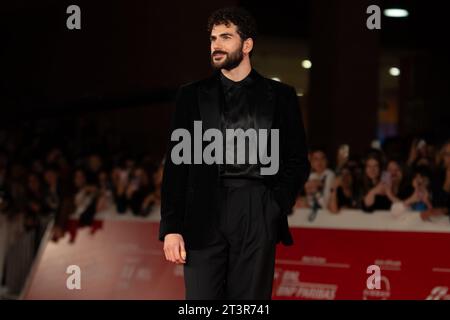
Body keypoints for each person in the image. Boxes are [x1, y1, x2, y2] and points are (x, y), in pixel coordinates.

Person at [159, 7, 310, 300]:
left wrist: (274, 204)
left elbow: (296, 160)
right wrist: (171, 228)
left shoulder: (281, 97)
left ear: (247, 44)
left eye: (226, 37)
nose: (216, 44)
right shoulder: (191, 95)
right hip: (202, 211)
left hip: (256, 208)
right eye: (213, 38)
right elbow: (177, 166)